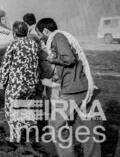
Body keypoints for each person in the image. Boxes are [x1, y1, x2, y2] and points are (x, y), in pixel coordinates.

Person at [36, 18, 100, 157]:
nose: (41, 38)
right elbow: (71, 62)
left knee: (55, 124)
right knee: (85, 127)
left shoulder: (57, 37)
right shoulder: (63, 36)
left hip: (74, 89)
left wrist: (52, 60)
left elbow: (69, 59)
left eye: (40, 34)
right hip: (82, 86)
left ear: (46, 30)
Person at [0, 21, 40, 143]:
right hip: (31, 83)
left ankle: (16, 137)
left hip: (17, 85)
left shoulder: (13, 44)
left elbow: (6, 65)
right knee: (27, 106)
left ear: (14, 32)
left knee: (12, 110)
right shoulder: (34, 44)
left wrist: (2, 82)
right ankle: (29, 129)